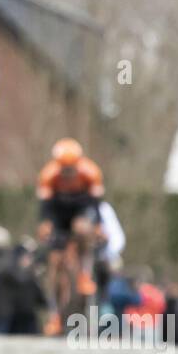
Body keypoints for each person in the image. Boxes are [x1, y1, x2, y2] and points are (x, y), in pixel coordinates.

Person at [36, 137, 104, 331]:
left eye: (71, 168)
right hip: (59, 213)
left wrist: (98, 226)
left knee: (82, 228)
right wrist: (45, 224)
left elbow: (96, 204)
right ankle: (54, 314)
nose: (67, 174)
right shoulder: (48, 175)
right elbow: (45, 207)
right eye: (63, 169)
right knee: (55, 263)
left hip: (80, 209)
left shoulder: (91, 172)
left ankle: (84, 273)